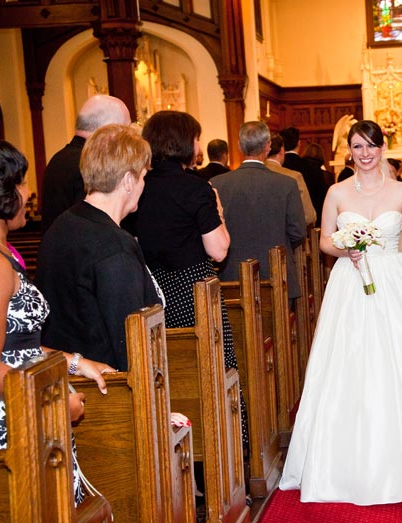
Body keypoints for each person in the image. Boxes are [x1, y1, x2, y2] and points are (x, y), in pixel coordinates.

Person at [280, 120, 402, 505]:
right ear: (349, 150)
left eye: (371, 147)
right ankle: (344, 460)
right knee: (349, 360)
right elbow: (325, 239)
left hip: (393, 279)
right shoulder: (336, 191)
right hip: (350, 281)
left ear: (382, 149)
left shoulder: (401, 190)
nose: (365, 154)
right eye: (358, 147)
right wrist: (346, 248)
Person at [0, 138, 113, 505]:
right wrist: (52, 403)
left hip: (21, 403)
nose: (28, 192)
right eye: (21, 183)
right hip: (11, 418)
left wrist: (74, 362)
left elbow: (14, 343)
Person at [37, 124, 163, 372]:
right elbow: (130, 341)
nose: (143, 185)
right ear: (128, 180)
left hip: (66, 379)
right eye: (143, 177)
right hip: (107, 388)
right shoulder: (114, 245)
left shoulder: (62, 224)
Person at [133, 111, 236, 367]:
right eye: (196, 138)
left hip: (152, 290)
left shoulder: (138, 185)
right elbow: (219, 250)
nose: (199, 146)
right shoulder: (195, 187)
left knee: (171, 368)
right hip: (192, 289)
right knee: (210, 366)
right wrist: (219, 213)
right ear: (183, 142)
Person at [212, 122, 306, 295]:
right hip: (277, 274)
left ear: (239, 145)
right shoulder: (286, 184)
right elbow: (298, 231)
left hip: (233, 275)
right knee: (279, 323)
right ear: (268, 145)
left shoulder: (217, 183)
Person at [41, 94, 131, 232]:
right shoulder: (92, 164)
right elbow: (94, 225)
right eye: (126, 131)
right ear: (110, 131)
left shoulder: (59, 158)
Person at [266, 133, 317, 227]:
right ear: (282, 150)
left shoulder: (253, 177)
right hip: (288, 237)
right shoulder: (294, 177)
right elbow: (309, 216)